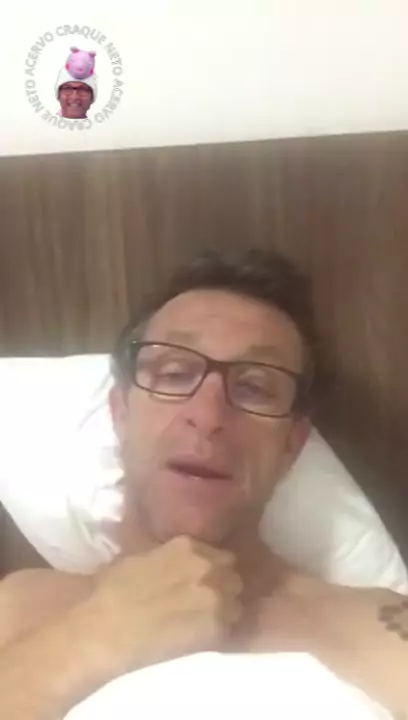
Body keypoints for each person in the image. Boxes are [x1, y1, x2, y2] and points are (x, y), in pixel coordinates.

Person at [0, 248, 407, 720]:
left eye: (254, 387)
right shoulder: (19, 610)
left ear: (292, 446)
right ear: (121, 414)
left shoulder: (381, 628)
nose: (209, 416)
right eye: (174, 374)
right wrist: (94, 636)